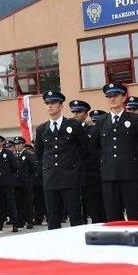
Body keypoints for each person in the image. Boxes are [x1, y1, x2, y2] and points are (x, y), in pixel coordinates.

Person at [97, 83, 138, 221]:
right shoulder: (102, 121)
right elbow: (94, 147)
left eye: (115, 95)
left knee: (134, 213)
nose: (112, 99)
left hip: (129, 173)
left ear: (123, 98)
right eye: (109, 96)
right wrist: (105, 160)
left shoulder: (134, 119)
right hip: (109, 175)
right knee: (113, 214)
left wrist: (132, 157)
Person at [33, 91, 88, 229]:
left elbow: (85, 150)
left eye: (53, 103)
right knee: (53, 218)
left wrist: (77, 172)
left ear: (61, 105)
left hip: (70, 178)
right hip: (50, 179)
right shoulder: (41, 129)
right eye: (47, 103)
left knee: (75, 217)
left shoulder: (73, 126)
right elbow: (38, 154)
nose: (50, 106)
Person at [69, 100, 103, 223]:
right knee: (77, 209)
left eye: (78, 111)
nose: (75, 114)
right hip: (74, 175)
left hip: (90, 175)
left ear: (85, 114)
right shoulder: (69, 131)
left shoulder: (92, 130)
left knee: (94, 208)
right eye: (73, 111)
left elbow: (96, 151)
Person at [0, 135, 19, 232]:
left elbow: (15, 167)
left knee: (10, 203)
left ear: (2, 142)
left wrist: (10, 178)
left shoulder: (8, 153)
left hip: (7, 182)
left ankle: (15, 223)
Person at [12, 136, 36, 229]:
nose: (17, 146)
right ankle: (20, 221)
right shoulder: (14, 155)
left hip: (26, 182)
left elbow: (33, 168)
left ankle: (29, 220)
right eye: (16, 144)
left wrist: (28, 177)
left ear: (23, 144)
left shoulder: (28, 154)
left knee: (28, 202)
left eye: (19, 144)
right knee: (18, 202)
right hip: (17, 183)